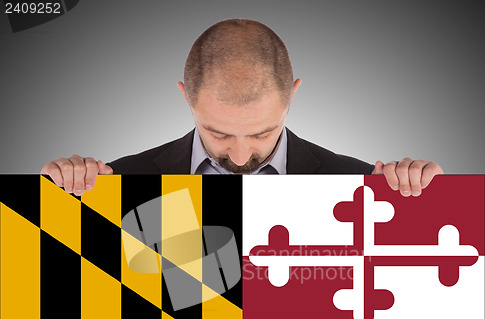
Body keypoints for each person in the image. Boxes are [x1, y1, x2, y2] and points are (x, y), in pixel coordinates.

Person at [41, 18, 443, 196]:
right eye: (217, 132)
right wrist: (57, 196)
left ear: (292, 96)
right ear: (186, 96)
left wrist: (426, 198)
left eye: (261, 133)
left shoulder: (362, 186)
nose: (238, 156)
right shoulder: (117, 185)